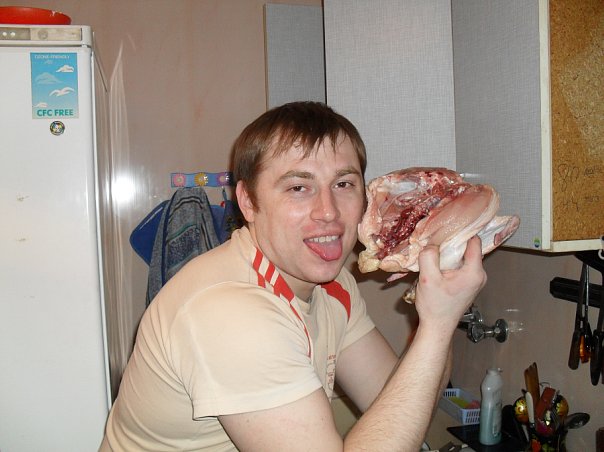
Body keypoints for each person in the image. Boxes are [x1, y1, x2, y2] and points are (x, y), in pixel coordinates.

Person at [100, 101, 486, 451]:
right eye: (299, 187)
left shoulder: (331, 285)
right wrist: (438, 326)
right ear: (248, 202)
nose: (328, 211)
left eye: (343, 184)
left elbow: (400, 401)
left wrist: (439, 302)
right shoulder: (230, 313)